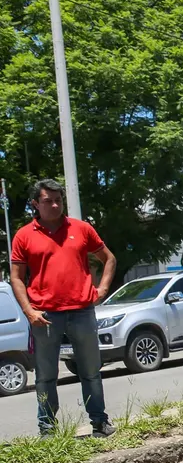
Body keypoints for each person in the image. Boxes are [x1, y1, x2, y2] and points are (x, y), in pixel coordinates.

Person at [9, 179, 118, 437]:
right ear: (36, 204)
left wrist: (101, 290)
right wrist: (29, 311)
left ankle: (99, 423)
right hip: (44, 315)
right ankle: (47, 429)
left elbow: (109, 258)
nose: (55, 205)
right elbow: (16, 277)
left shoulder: (80, 229)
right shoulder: (24, 235)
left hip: (82, 311)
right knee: (46, 375)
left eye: (59, 200)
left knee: (91, 370)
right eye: (49, 200)